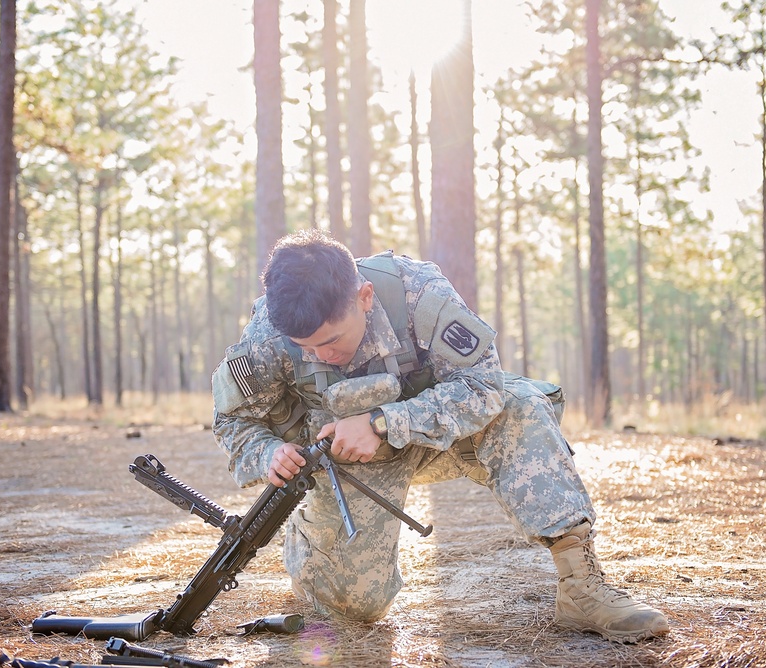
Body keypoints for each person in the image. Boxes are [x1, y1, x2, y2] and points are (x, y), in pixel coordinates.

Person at [211, 230, 669, 643]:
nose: (322, 356)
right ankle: (313, 544)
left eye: (331, 340)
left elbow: (483, 385)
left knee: (520, 404)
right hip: (345, 463)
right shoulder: (269, 332)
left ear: (364, 297)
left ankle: (582, 588)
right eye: (307, 348)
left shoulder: (416, 292)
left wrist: (382, 423)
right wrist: (269, 452)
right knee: (351, 610)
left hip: (437, 434)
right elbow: (233, 422)